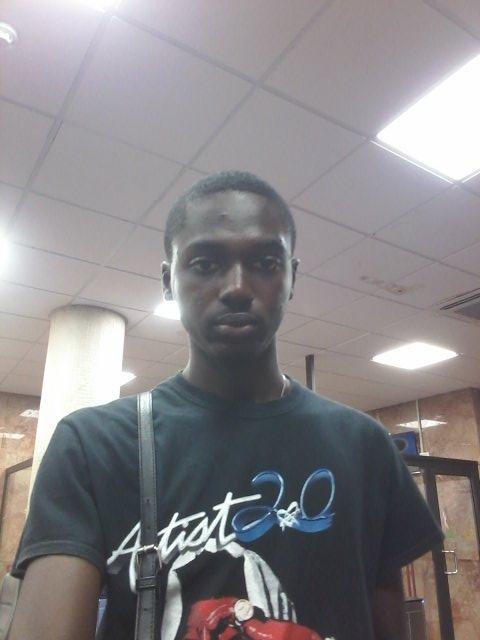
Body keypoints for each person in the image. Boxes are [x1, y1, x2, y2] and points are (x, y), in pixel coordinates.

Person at [9, 171, 443, 640]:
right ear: (168, 281)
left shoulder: (364, 446)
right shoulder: (93, 446)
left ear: (291, 277)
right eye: (205, 263)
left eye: (265, 262)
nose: (237, 286)